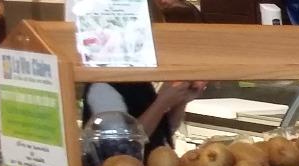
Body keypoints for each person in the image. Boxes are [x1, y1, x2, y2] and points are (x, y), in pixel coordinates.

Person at [81, 0, 206, 155]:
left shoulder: (136, 78)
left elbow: (163, 131)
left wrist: (180, 101)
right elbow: (122, 146)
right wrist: (162, 102)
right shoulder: (102, 87)